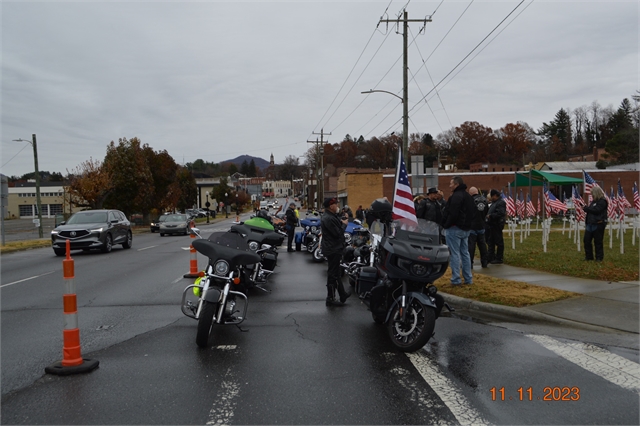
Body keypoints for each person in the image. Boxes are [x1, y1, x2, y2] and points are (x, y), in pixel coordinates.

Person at [442, 176, 476, 285]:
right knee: (465, 253)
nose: (450, 185)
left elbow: (453, 213)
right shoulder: (468, 196)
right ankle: (468, 278)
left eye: (451, 183)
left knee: (454, 254)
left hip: (454, 228)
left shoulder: (456, 197)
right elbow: (473, 212)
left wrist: (446, 224)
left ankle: (456, 279)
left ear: (456, 184)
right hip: (466, 229)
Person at [321, 198, 351, 306]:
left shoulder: (330, 216)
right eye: (335, 204)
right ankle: (330, 298)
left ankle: (342, 294)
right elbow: (337, 233)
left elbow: (336, 223)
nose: (337, 205)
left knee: (336, 272)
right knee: (333, 274)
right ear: (331, 206)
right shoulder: (328, 218)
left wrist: (342, 220)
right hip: (333, 249)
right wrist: (344, 225)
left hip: (333, 248)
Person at [583, 186, 608, 262]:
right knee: (586, 240)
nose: (592, 195)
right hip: (590, 224)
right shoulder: (593, 202)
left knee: (598, 242)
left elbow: (597, 210)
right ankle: (589, 256)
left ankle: (599, 257)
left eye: (592, 194)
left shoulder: (603, 201)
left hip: (598, 224)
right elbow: (592, 210)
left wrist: (587, 209)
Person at [467, 187, 488, 268]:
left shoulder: (469, 201)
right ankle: (484, 262)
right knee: (482, 245)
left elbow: (467, 213)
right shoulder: (485, 200)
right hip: (482, 225)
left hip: (472, 226)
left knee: (471, 246)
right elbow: (486, 211)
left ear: (471, 193)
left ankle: (470, 263)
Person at [486, 189, 506, 264]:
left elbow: (500, 213)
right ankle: (490, 257)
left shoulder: (501, 203)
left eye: (492, 196)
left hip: (497, 224)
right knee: (491, 242)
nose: (491, 198)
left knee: (499, 241)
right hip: (492, 225)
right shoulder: (495, 202)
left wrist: (491, 216)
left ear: (495, 195)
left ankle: (499, 258)